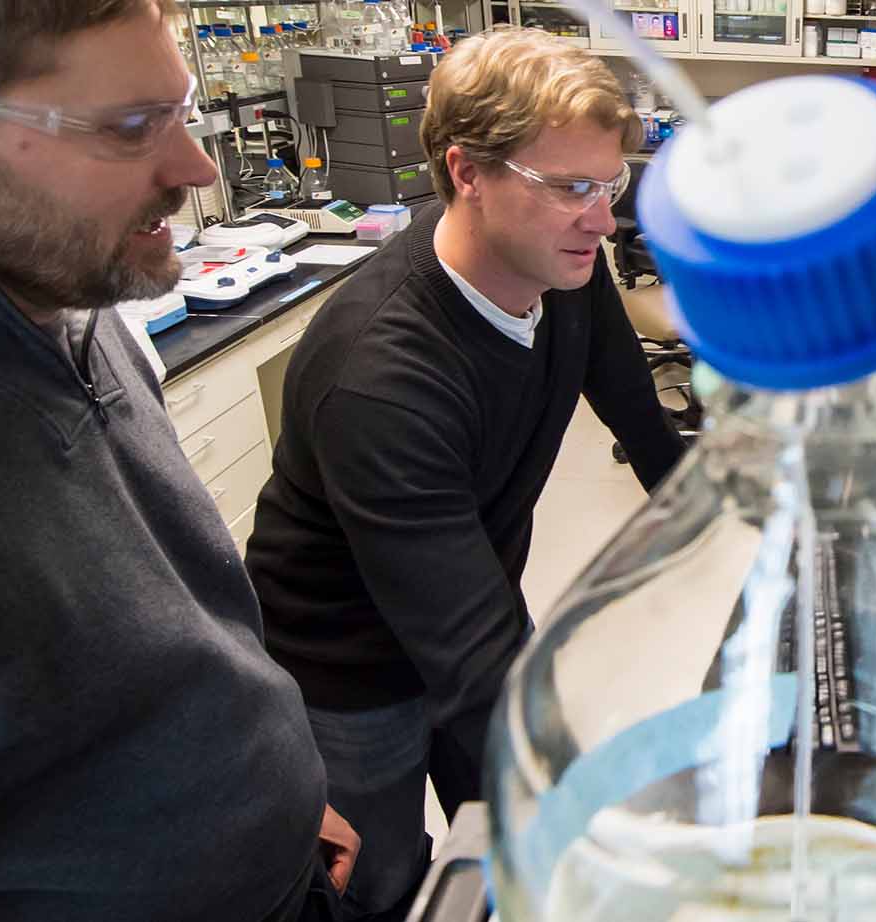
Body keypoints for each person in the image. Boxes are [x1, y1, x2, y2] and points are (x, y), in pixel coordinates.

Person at [0, 3, 359, 920]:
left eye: (180, 111)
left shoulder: (77, 296)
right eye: (130, 128)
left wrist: (278, 794)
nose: (192, 169)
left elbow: (158, 643)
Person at [243, 27, 687, 920]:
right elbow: (473, 655)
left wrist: (730, 536)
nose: (603, 218)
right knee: (378, 882)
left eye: (611, 184)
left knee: (508, 826)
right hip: (348, 668)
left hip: (465, 600)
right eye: (569, 188)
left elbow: (639, 415)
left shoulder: (563, 267)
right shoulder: (384, 375)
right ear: (469, 172)